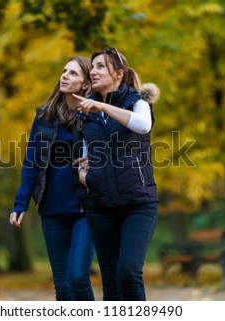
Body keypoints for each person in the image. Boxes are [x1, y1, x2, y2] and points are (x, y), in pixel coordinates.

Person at [73, 47, 160, 300]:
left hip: (138, 204)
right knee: (110, 282)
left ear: (118, 74)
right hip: (101, 206)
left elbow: (143, 126)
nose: (94, 71)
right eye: (93, 67)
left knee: (128, 273)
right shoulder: (88, 113)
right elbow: (86, 154)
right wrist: (84, 176)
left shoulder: (138, 102)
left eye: (101, 66)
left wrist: (102, 107)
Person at [9, 56, 95, 301]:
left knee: (78, 278)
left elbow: (111, 151)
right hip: (52, 209)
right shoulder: (44, 117)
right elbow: (31, 162)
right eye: (64, 71)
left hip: (85, 208)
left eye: (73, 73)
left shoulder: (94, 116)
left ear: (86, 84)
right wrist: (20, 203)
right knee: (63, 286)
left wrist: (97, 161)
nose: (65, 76)